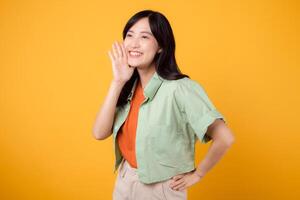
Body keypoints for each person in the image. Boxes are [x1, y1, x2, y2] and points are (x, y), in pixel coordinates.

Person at [92, 9, 235, 200]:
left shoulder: (180, 89)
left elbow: (225, 137)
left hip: (160, 189)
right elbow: (99, 133)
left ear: (160, 46)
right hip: (125, 182)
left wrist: (198, 174)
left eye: (144, 37)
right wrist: (117, 82)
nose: (134, 43)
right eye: (129, 35)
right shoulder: (128, 87)